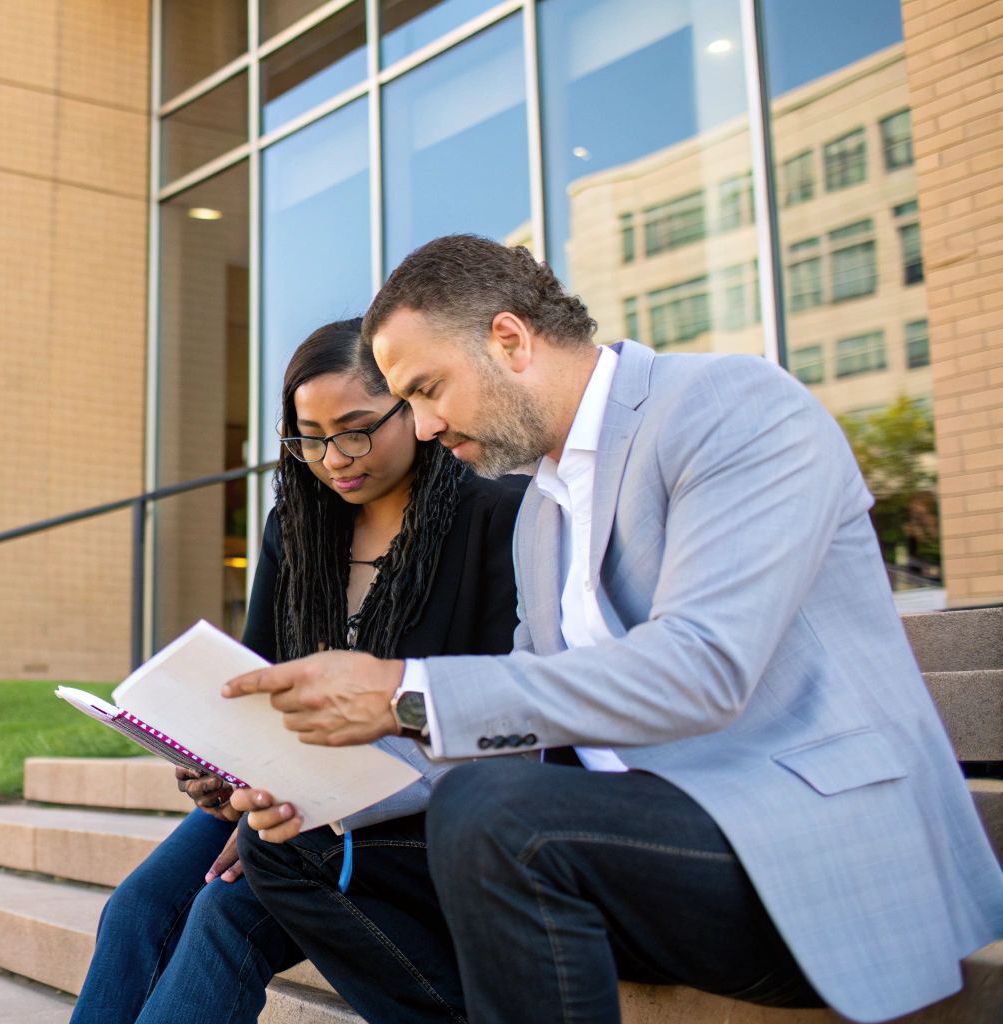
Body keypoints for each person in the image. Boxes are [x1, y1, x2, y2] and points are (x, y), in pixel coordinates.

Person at [225, 234, 1003, 1024]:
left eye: (428, 389)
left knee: (498, 815)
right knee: (294, 848)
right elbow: (514, 737)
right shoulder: (542, 511)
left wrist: (403, 690)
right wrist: (326, 792)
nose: (424, 427)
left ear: (509, 340)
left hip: (810, 852)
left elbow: (702, 668)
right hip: (622, 853)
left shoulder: (730, 406)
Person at [69, 319, 524, 1024]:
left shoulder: (493, 514)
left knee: (225, 907)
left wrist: (275, 826)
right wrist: (219, 774)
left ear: (411, 408)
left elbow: (496, 701)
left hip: (418, 801)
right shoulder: (297, 527)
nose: (333, 459)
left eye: (356, 430)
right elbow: (254, 677)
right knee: (140, 907)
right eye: (309, 438)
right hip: (289, 791)